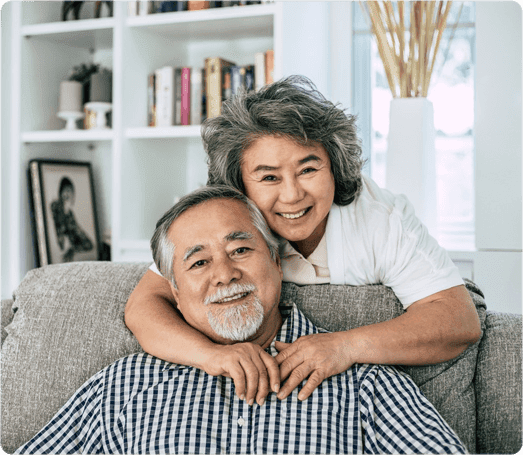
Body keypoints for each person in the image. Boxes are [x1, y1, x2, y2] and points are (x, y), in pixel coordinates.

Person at [15, 186, 468, 455]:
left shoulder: (367, 384)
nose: (225, 275)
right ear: (173, 291)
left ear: (276, 260)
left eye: (240, 250)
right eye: (198, 263)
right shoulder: (126, 384)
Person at [125, 76, 481, 405]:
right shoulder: (221, 219)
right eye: (268, 177)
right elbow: (145, 304)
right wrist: (211, 356)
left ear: (334, 165)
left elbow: (459, 319)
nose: (293, 195)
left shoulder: (382, 219)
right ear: (239, 185)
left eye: (308, 169)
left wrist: (346, 346)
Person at [51, 176, 93, 262]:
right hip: (62, 244)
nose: (67, 194)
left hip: (73, 243)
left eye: (69, 191)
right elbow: (60, 239)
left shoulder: (70, 213)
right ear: (60, 192)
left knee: (89, 244)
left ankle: (72, 250)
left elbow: (77, 231)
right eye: (65, 190)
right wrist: (64, 212)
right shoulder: (55, 206)